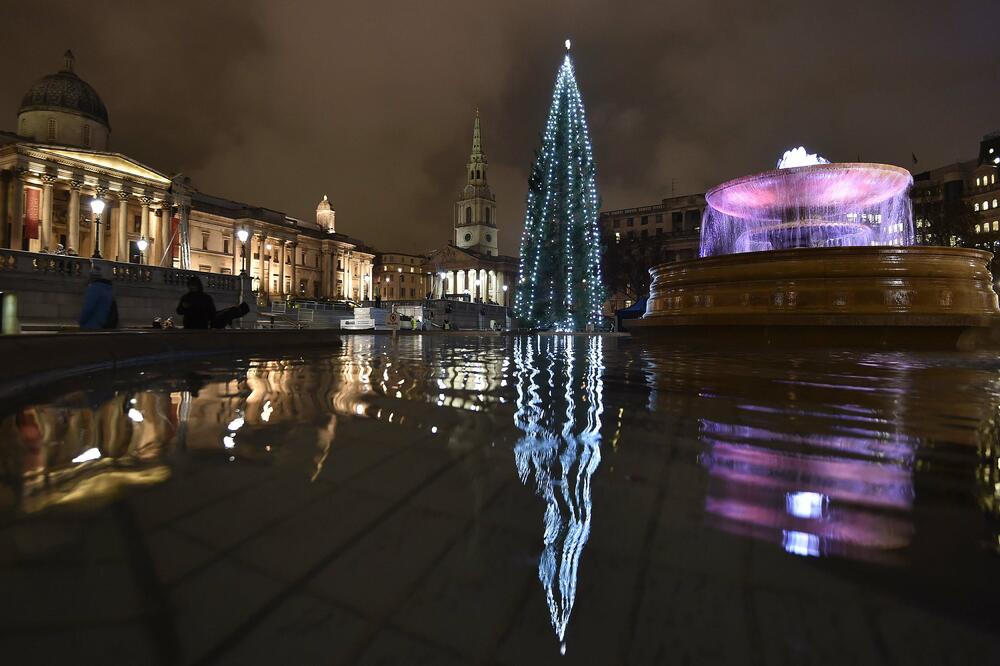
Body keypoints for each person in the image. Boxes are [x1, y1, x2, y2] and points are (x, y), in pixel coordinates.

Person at [79, 264, 119, 330]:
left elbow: (88, 308)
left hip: (92, 325)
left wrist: (81, 321)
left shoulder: (94, 289)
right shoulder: (108, 289)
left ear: (91, 277)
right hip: (106, 325)